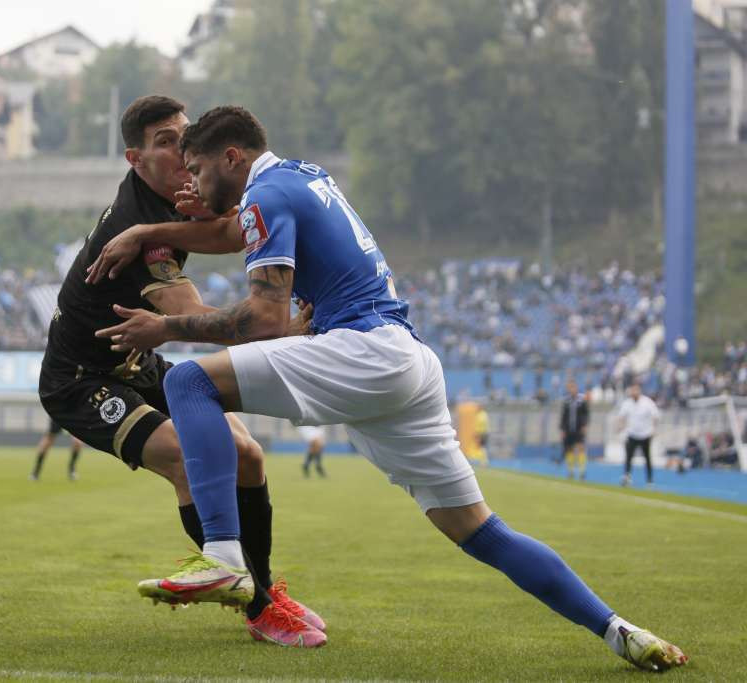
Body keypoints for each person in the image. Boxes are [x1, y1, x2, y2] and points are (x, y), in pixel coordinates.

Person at [90, 106, 686, 667]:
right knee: (481, 532)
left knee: (190, 381)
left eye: (197, 169)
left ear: (231, 157)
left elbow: (266, 319)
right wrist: (150, 231)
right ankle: (620, 632)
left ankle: (223, 556)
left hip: (365, 351)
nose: (193, 184)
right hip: (409, 362)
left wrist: (166, 327)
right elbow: (231, 232)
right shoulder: (301, 178)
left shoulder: (265, 195)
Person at [40, 95, 323, 646]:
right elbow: (190, 313)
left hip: (138, 362)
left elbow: (230, 229)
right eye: (165, 142)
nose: (181, 150)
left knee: (246, 454)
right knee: (187, 462)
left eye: (183, 136)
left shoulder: (176, 199)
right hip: (81, 379)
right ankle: (260, 610)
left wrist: (213, 211)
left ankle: (264, 588)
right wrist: (278, 329)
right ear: (136, 159)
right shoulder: (136, 226)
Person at [616, 383, 659, 487]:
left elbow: (655, 416)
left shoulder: (647, 402)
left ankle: (649, 480)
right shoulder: (627, 403)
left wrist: (654, 429)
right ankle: (627, 477)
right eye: (632, 390)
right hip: (632, 434)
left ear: (639, 391)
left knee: (647, 458)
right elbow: (621, 417)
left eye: (636, 390)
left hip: (645, 434)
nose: (634, 392)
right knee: (628, 457)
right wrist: (620, 427)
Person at [559, 380, 589, 480]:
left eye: (573, 387)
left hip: (579, 429)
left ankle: (582, 471)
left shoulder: (582, 400)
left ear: (576, 388)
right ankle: (570, 471)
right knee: (569, 449)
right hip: (568, 429)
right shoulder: (566, 401)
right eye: (570, 388)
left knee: (581, 448)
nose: (572, 389)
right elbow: (563, 416)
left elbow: (586, 414)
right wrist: (562, 429)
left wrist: (584, 425)